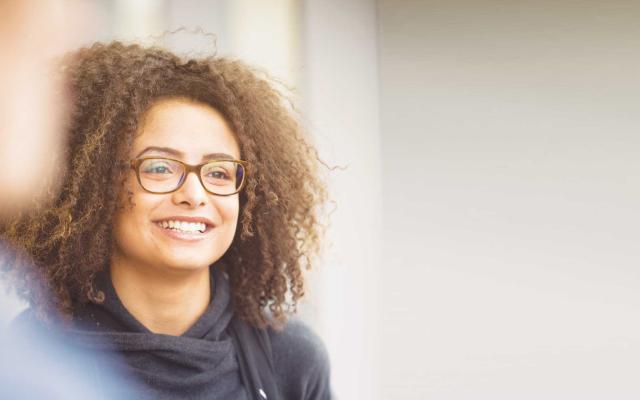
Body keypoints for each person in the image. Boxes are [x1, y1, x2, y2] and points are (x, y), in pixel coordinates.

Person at [1, 41, 331, 400]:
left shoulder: (292, 361)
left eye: (219, 172)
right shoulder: (26, 362)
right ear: (97, 188)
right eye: (160, 168)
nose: (194, 194)